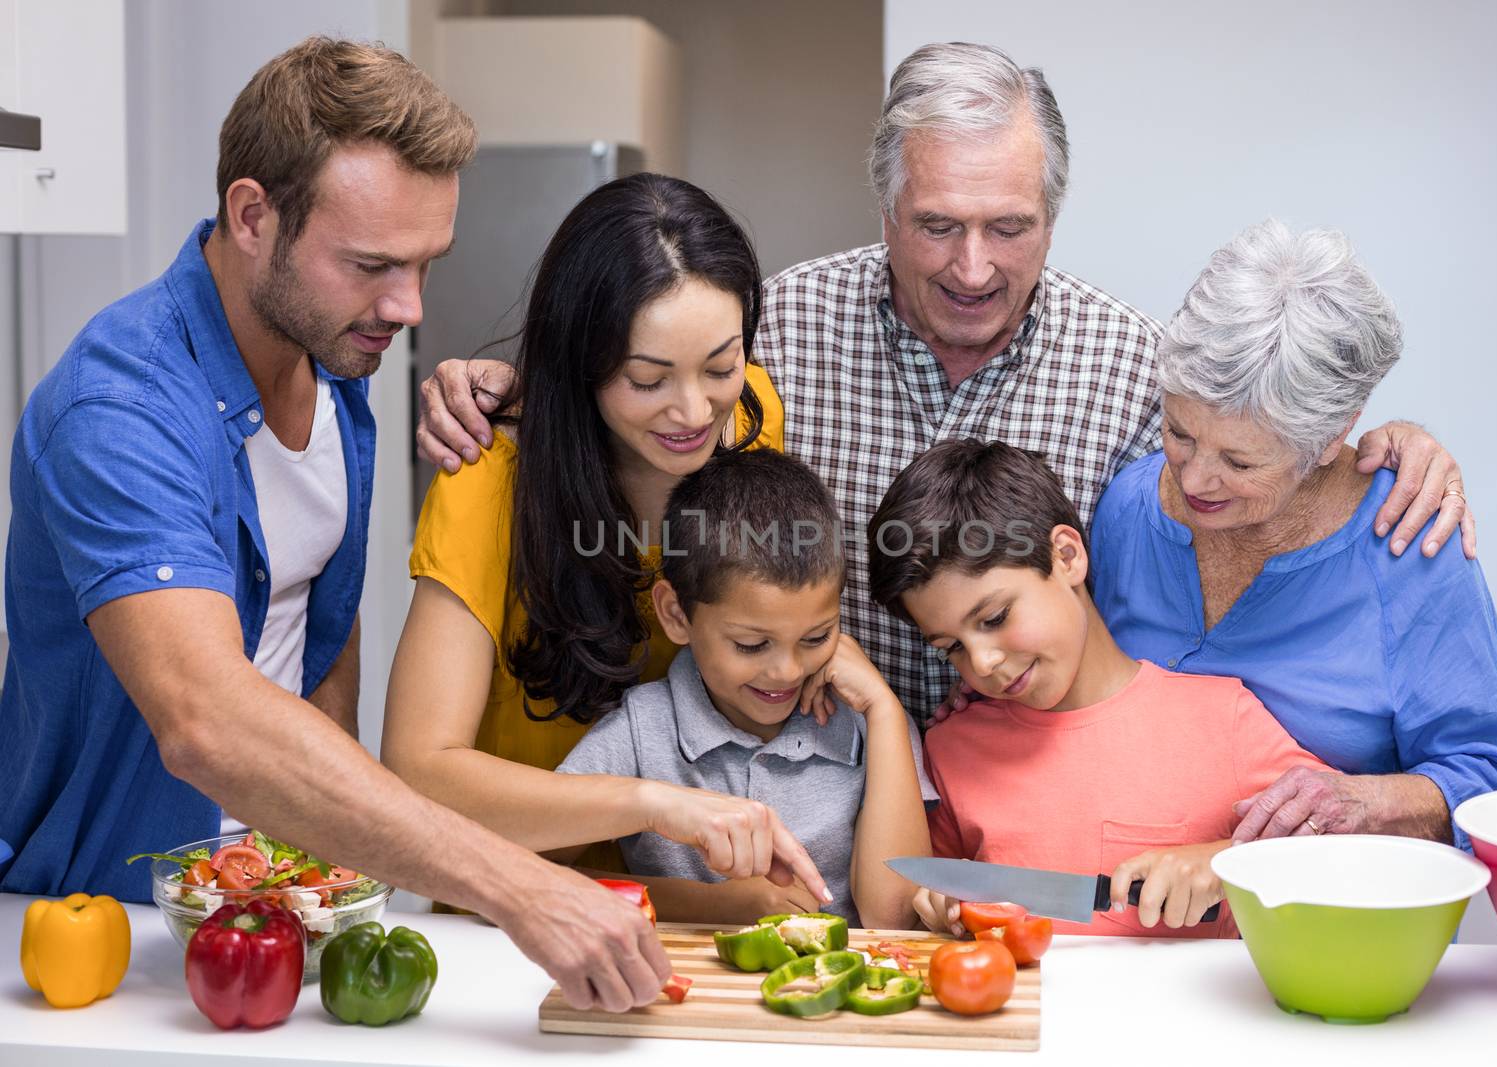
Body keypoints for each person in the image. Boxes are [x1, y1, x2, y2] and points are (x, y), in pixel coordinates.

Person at [0, 38, 788, 1014]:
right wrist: (512, 879)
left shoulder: (334, 368)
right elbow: (206, 719)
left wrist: (341, 882)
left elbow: (319, 641)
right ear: (253, 217)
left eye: (424, 264)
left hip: (291, 908)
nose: (409, 310)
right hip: (113, 926)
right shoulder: (116, 413)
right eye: (372, 264)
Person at [416, 42, 1475, 722]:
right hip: (811, 802)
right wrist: (517, 380)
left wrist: (1375, 451)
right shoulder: (771, 332)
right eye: (937, 227)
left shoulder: (1136, 369)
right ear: (884, 209)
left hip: (1034, 810)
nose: (973, 268)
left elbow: (1242, 496)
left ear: (1052, 216)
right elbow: (642, 385)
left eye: (1008, 229)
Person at [381, 173, 829, 924]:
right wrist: (651, 803)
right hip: (514, 907)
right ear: (578, 365)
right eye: (647, 380)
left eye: (721, 366)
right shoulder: (489, 483)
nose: (694, 411)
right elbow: (417, 775)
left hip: (686, 896)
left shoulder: (751, 418)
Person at [1089, 220, 1497, 847]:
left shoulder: (1409, 542)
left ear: (1333, 437)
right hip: (1152, 924)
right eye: (1180, 433)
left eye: (1241, 463)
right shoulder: (1127, 509)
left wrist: (1366, 801)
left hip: (1338, 922)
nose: (1195, 478)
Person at [866, 440, 1331, 937]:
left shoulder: (1225, 721)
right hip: (1027, 1012)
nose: (982, 663)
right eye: (950, 647)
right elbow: (924, 905)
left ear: (1066, 556)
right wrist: (943, 908)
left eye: (995, 617)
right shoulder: (951, 749)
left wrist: (1226, 863)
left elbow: (1355, 854)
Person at [550, 449, 936, 928]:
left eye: (816, 638)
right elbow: (528, 869)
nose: (787, 672)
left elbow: (894, 918)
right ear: (675, 614)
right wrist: (713, 906)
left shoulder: (869, 723)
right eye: (752, 644)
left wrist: (882, 711)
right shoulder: (641, 728)